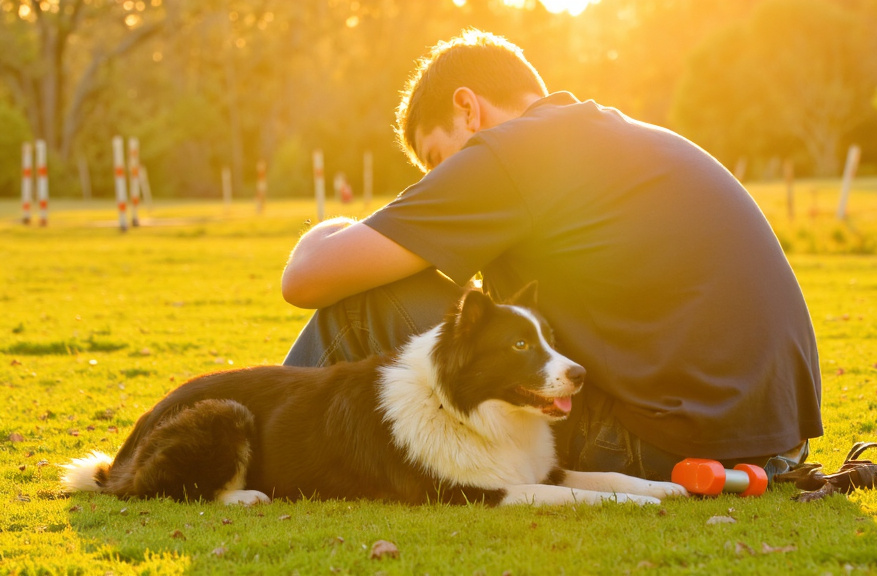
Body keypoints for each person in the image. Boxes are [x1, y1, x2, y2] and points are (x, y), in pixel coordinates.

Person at [280, 29, 823, 481]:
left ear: (468, 108)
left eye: (437, 161)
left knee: (364, 303)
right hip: (771, 448)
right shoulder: (604, 136)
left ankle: (256, 444)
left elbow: (305, 278)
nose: (440, 181)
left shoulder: (508, 153)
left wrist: (334, 228)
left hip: (665, 448)